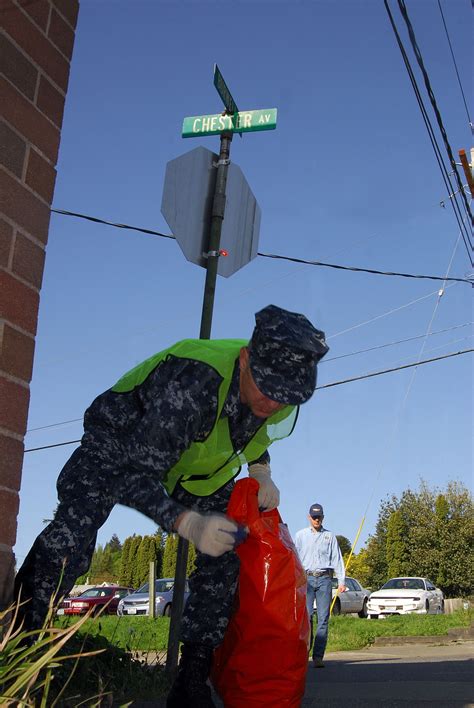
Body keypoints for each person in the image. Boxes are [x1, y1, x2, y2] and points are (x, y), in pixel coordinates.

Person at [14, 304, 328, 707]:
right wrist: (188, 523)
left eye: (286, 399)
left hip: (197, 470)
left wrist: (262, 471)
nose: (273, 405)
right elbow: (133, 476)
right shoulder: (196, 381)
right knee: (72, 535)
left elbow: (259, 435)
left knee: (228, 555)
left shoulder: (273, 396)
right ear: (246, 359)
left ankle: (192, 679)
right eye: (267, 391)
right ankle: (21, 653)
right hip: (120, 444)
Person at [295, 503, 346, 668]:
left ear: (323, 517)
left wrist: (341, 581)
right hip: (307, 579)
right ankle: (304, 654)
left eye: (319, 517)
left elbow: (337, 559)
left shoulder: (329, 536)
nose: (316, 520)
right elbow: (294, 558)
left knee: (323, 618)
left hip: (325, 579)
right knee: (307, 618)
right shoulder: (300, 536)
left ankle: (318, 657)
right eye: (314, 517)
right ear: (309, 517)